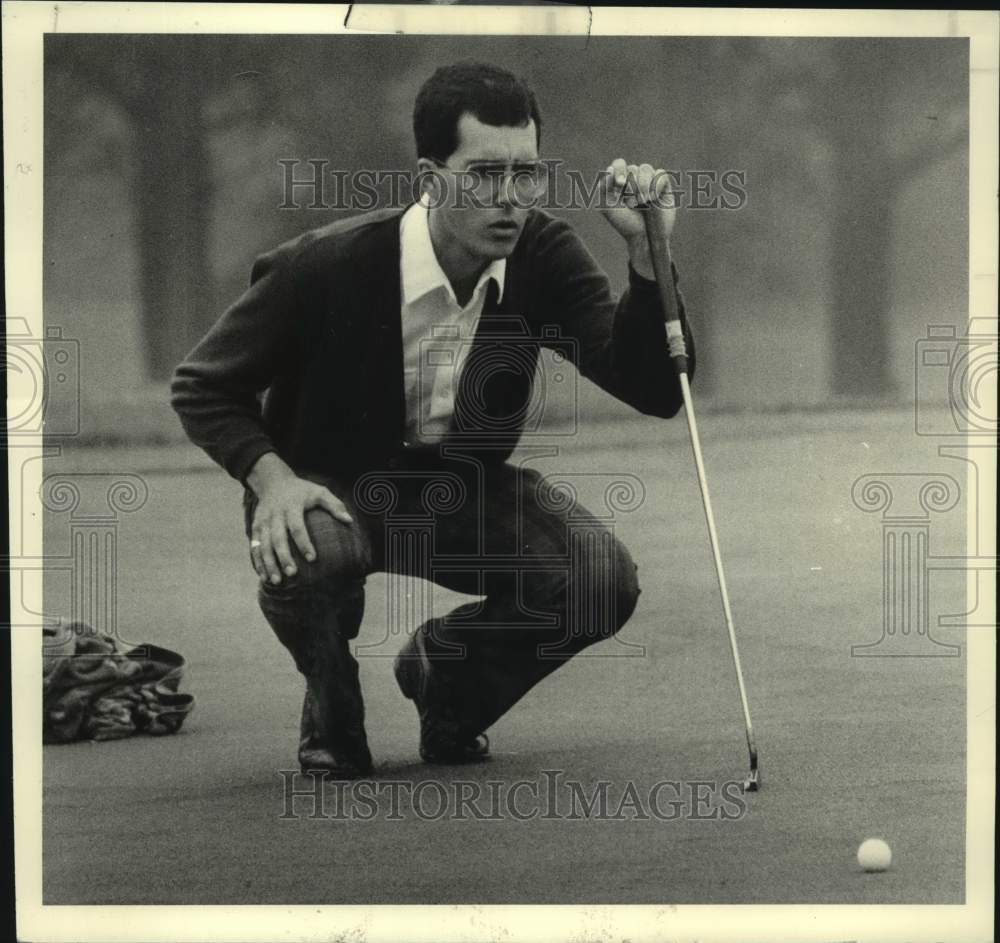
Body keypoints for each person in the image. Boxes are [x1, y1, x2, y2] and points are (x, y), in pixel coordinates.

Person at [171, 61, 695, 778]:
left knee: (600, 578)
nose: (509, 198)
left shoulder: (542, 254)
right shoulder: (324, 267)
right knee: (314, 547)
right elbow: (203, 386)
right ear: (431, 175)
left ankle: (448, 679)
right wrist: (274, 481)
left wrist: (646, 258)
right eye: (483, 175)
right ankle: (333, 713)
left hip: (460, 489)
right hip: (331, 491)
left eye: (526, 173)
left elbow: (655, 388)